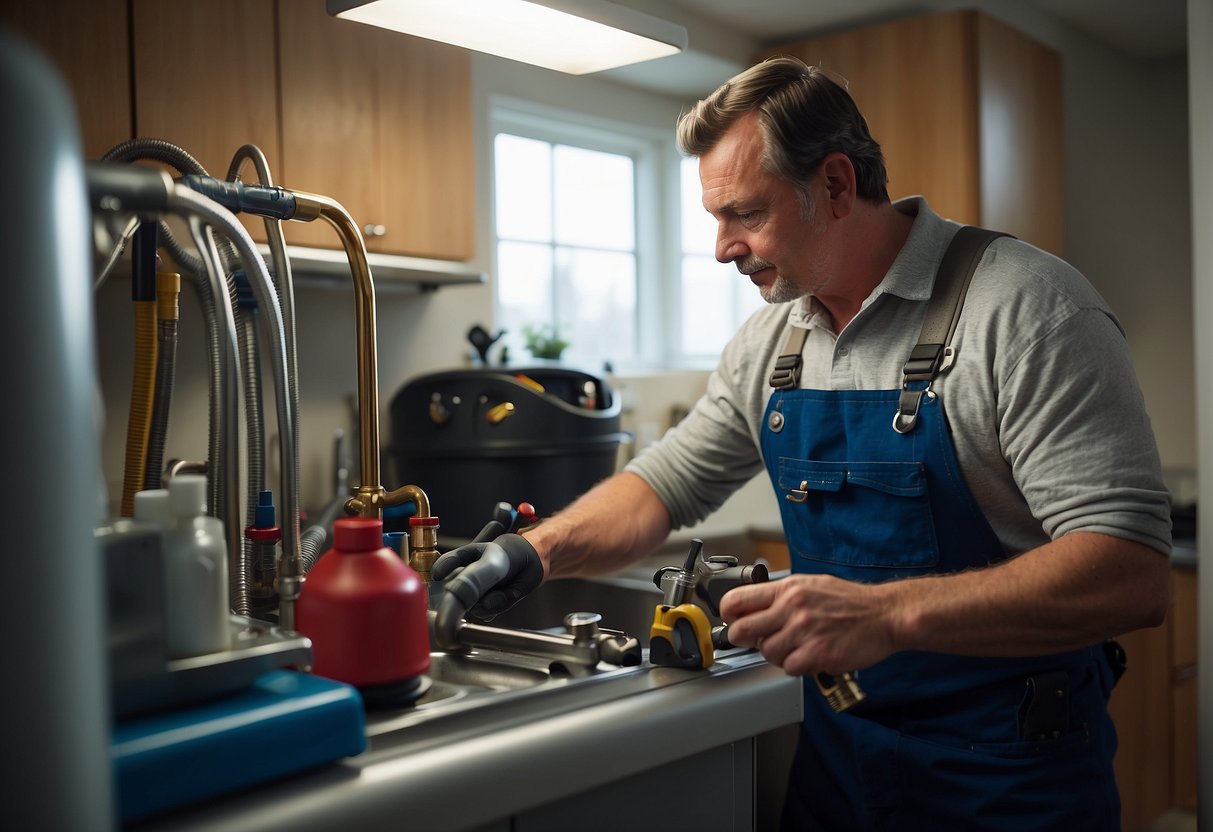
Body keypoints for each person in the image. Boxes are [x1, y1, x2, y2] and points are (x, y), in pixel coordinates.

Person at [433, 56, 1173, 829]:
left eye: (745, 215)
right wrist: (534, 552)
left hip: (1008, 771)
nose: (722, 248)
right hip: (840, 766)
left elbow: (1128, 574)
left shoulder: (1024, 311)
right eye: (715, 219)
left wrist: (885, 615)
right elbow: (666, 482)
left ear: (835, 186)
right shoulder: (771, 342)